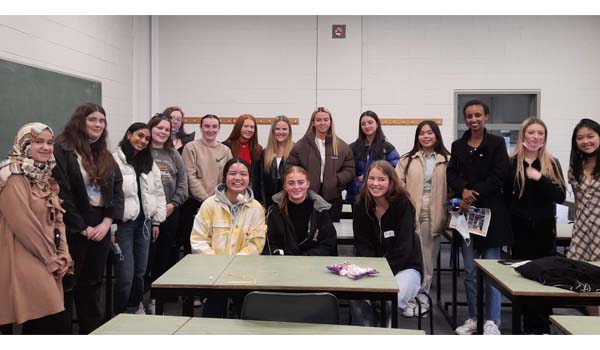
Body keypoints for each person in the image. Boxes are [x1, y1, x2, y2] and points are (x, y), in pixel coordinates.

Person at [52, 103, 124, 334]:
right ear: (80, 121)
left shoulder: (103, 153)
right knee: (67, 285)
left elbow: (117, 188)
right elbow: (61, 191)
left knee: (93, 285)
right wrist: (81, 227)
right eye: (92, 119)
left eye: (102, 121)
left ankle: (91, 334)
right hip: (72, 226)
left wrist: (107, 223)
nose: (98, 125)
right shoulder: (62, 150)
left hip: (101, 225)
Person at [0, 122, 73, 334]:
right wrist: (52, 260)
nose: (46, 147)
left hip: (47, 258)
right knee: (52, 322)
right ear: (24, 145)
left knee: (41, 324)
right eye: (38, 142)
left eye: (50, 143)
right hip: (22, 258)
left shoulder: (45, 177)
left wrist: (64, 255)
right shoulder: (12, 177)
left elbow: (58, 219)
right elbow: (25, 226)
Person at [446, 100, 511, 335]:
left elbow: (499, 175)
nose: (473, 119)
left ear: (486, 117)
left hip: (491, 217)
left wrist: (473, 194)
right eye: (469, 116)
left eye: (478, 115)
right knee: (471, 272)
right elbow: (451, 173)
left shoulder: (496, 143)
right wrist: (462, 189)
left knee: (491, 271)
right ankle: (473, 318)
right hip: (465, 217)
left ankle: (492, 321)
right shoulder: (458, 145)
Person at [503, 117, 566, 333]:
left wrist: (540, 178)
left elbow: (560, 195)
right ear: (523, 135)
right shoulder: (512, 163)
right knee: (523, 278)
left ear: (545, 137)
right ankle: (527, 329)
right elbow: (505, 198)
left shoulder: (552, 163)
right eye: (531, 132)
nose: (536, 137)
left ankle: (543, 328)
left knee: (544, 279)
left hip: (544, 231)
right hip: (520, 231)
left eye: (540, 133)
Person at [190, 157, 266, 318]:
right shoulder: (210, 205)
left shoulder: (256, 208)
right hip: (213, 273)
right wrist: (219, 265)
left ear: (249, 179)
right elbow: (198, 240)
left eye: (243, 174)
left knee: (245, 319)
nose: (237, 178)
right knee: (212, 318)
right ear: (225, 177)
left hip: (244, 274)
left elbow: (256, 243)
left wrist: (234, 264)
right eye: (232, 173)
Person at [351, 160, 423, 327]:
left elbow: (404, 249)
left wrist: (383, 276)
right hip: (373, 269)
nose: (375, 184)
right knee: (358, 298)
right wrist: (374, 273)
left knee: (389, 299)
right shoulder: (361, 206)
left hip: (406, 268)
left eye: (381, 179)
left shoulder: (403, 204)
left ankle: (384, 333)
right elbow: (362, 246)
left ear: (391, 182)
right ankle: (367, 334)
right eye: (372, 178)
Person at [396, 120, 450, 318]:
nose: (426, 136)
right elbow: (397, 181)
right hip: (410, 208)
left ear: (436, 135)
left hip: (434, 208)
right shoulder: (408, 159)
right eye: (422, 133)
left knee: (427, 255)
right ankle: (406, 294)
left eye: (430, 132)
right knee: (407, 251)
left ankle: (422, 295)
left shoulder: (446, 159)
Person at [112, 122, 167, 315]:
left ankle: (135, 307)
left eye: (146, 138)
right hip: (123, 225)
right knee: (125, 274)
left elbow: (158, 193)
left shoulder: (149, 164)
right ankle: (119, 314)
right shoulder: (114, 161)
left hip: (144, 223)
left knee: (140, 272)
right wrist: (111, 227)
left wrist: (157, 220)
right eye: (139, 136)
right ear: (129, 135)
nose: (143, 141)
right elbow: (109, 196)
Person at [288, 107, 355, 222]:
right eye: (318, 120)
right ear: (313, 123)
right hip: (307, 198)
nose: (322, 123)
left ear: (330, 122)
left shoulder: (342, 146)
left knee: (331, 234)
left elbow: (350, 169)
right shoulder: (301, 145)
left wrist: (336, 180)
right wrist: (301, 182)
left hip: (333, 199)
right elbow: (291, 167)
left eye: (325, 119)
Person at [146, 113, 188, 293]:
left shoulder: (172, 153)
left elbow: (183, 182)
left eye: (167, 129)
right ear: (150, 128)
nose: (163, 132)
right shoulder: (142, 151)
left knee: (165, 254)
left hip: (170, 211)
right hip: (147, 214)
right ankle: (141, 296)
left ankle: (160, 296)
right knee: (146, 257)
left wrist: (173, 204)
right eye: (159, 128)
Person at [180, 114, 232, 256]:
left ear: (219, 128)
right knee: (194, 245)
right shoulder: (191, 147)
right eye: (207, 126)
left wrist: (219, 199)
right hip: (195, 204)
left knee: (216, 244)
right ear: (201, 127)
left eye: (214, 126)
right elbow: (190, 176)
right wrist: (206, 200)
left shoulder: (225, 150)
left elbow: (229, 177)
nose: (210, 130)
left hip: (220, 204)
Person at [264, 166, 337, 256]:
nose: (296, 187)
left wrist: (304, 259)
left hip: (312, 263)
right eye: (291, 183)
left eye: (301, 182)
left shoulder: (319, 209)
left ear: (308, 184)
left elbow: (328, 244)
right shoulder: (274, 211)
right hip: (283, 264)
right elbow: (269, 243)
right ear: (285, 186)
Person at [567, 118, 600, 316]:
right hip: (583, 230)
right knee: (586, 281)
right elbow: (578, 200)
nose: (586, 141)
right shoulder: (575, 167)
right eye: (580, 138)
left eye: (590, 136)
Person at [347, 110, 400, 204]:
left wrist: (369, 179)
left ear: (377, 124)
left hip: (381, 197)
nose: (367, 126)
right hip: (357, 197)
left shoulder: (387, 148)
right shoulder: (352, 148)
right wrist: (360, 186)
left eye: (370, 122)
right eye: (363, 124)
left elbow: (394, 171)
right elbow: (348, 171)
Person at [256, 115, 294, 208]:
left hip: (290, 201)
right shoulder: (265, 152)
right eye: (277, 129)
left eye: (284, 129)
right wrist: (262, 204)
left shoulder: (295, 151)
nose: (281, 132)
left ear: (289, 131)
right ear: (273, 131)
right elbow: (261, 181)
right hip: (270, 203)